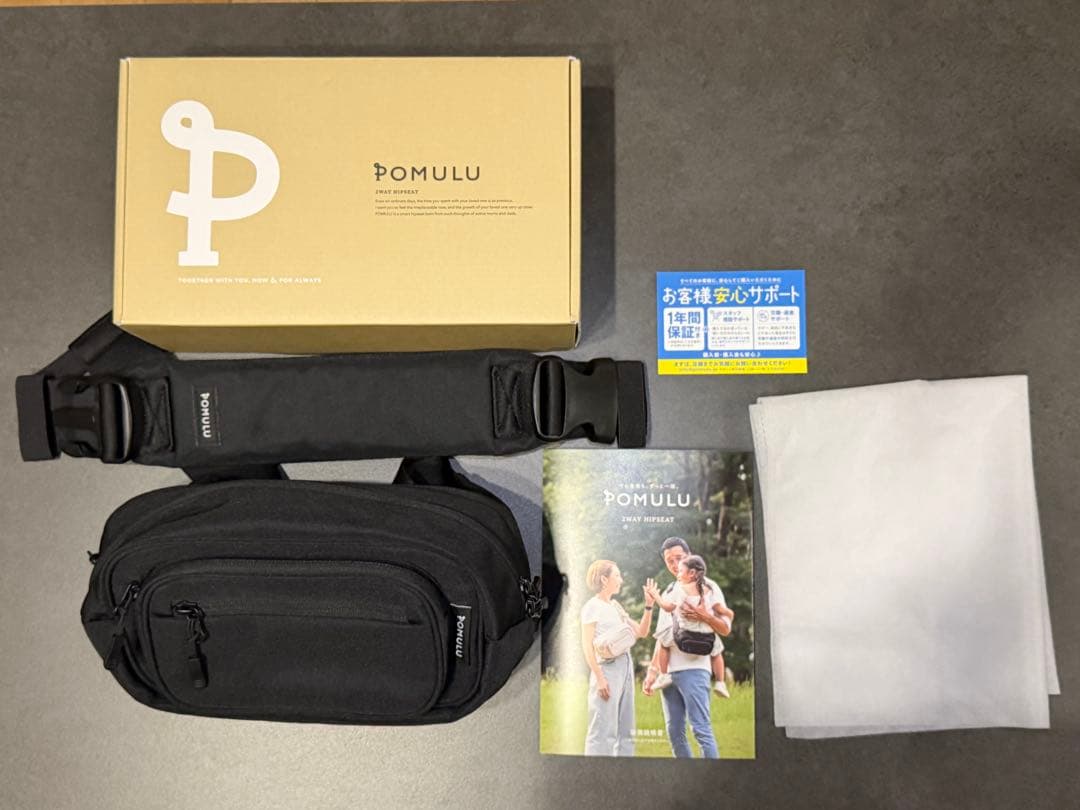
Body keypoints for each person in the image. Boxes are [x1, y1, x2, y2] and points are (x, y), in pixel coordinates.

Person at [641, 537, 733, 759]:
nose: (674, 565)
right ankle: (686, 773)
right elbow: (662, 637)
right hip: (668, 675)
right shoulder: (669, 592)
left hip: (695, 669)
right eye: (669, 561)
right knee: (675, 733)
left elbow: (725, 629)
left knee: (700, 729)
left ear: (689, 557)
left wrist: (704, 615)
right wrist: (652, 672)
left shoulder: (709, 587)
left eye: (679, 558)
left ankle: (711, 776)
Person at [579, 560, 657, 756]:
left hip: (626, 667)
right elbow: (587, 646)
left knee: (626, 729)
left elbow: (642, 632)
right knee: (602, 729)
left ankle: (624, 768)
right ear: (604, 579)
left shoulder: (615, 606)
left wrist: (649, 606)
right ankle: (595, 771)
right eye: (617, 575)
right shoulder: (591, 607)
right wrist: (600, 678)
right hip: (607, 669)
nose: (621, 580)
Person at [648, 554, 734, 696]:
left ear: (692, 573)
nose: (678, 574)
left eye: (681, 571)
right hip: (707, 635)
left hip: (686, 633)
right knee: (717, 652)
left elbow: (667, 607)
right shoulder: (708, 589)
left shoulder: (679, 589)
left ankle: (663, 675)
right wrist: (729, 614)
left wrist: (655, 595)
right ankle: (720, 682)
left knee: (663, 642)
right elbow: (719, 609)